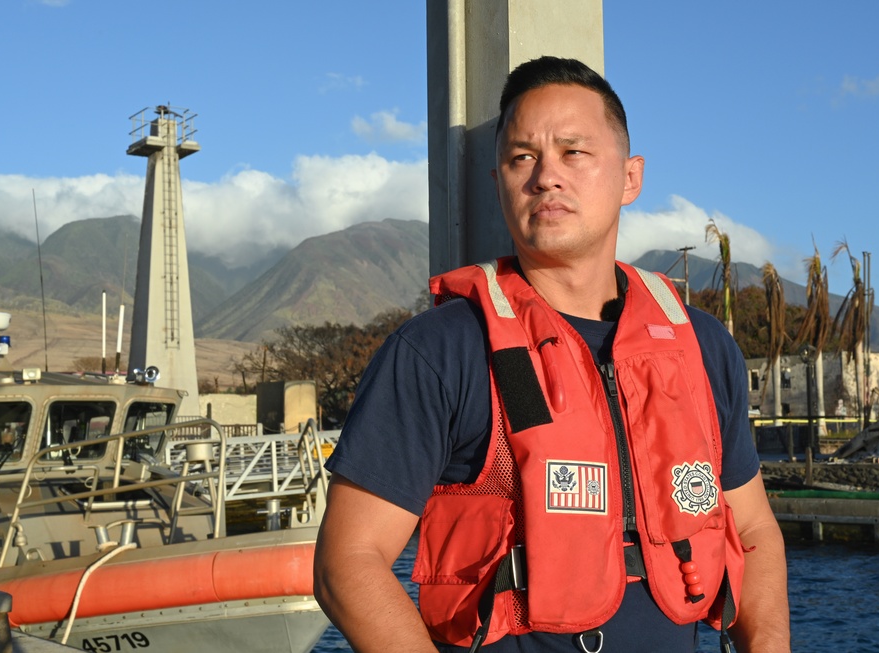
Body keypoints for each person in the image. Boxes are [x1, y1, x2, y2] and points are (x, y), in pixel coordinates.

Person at [314, 56, 790, 652]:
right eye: (522, 158)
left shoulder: (700, 346)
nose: (545, 177)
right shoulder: (440, 351)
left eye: (574, 152)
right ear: (499, 184)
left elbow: (752, 531)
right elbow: (348, 562)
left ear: (630, 177)